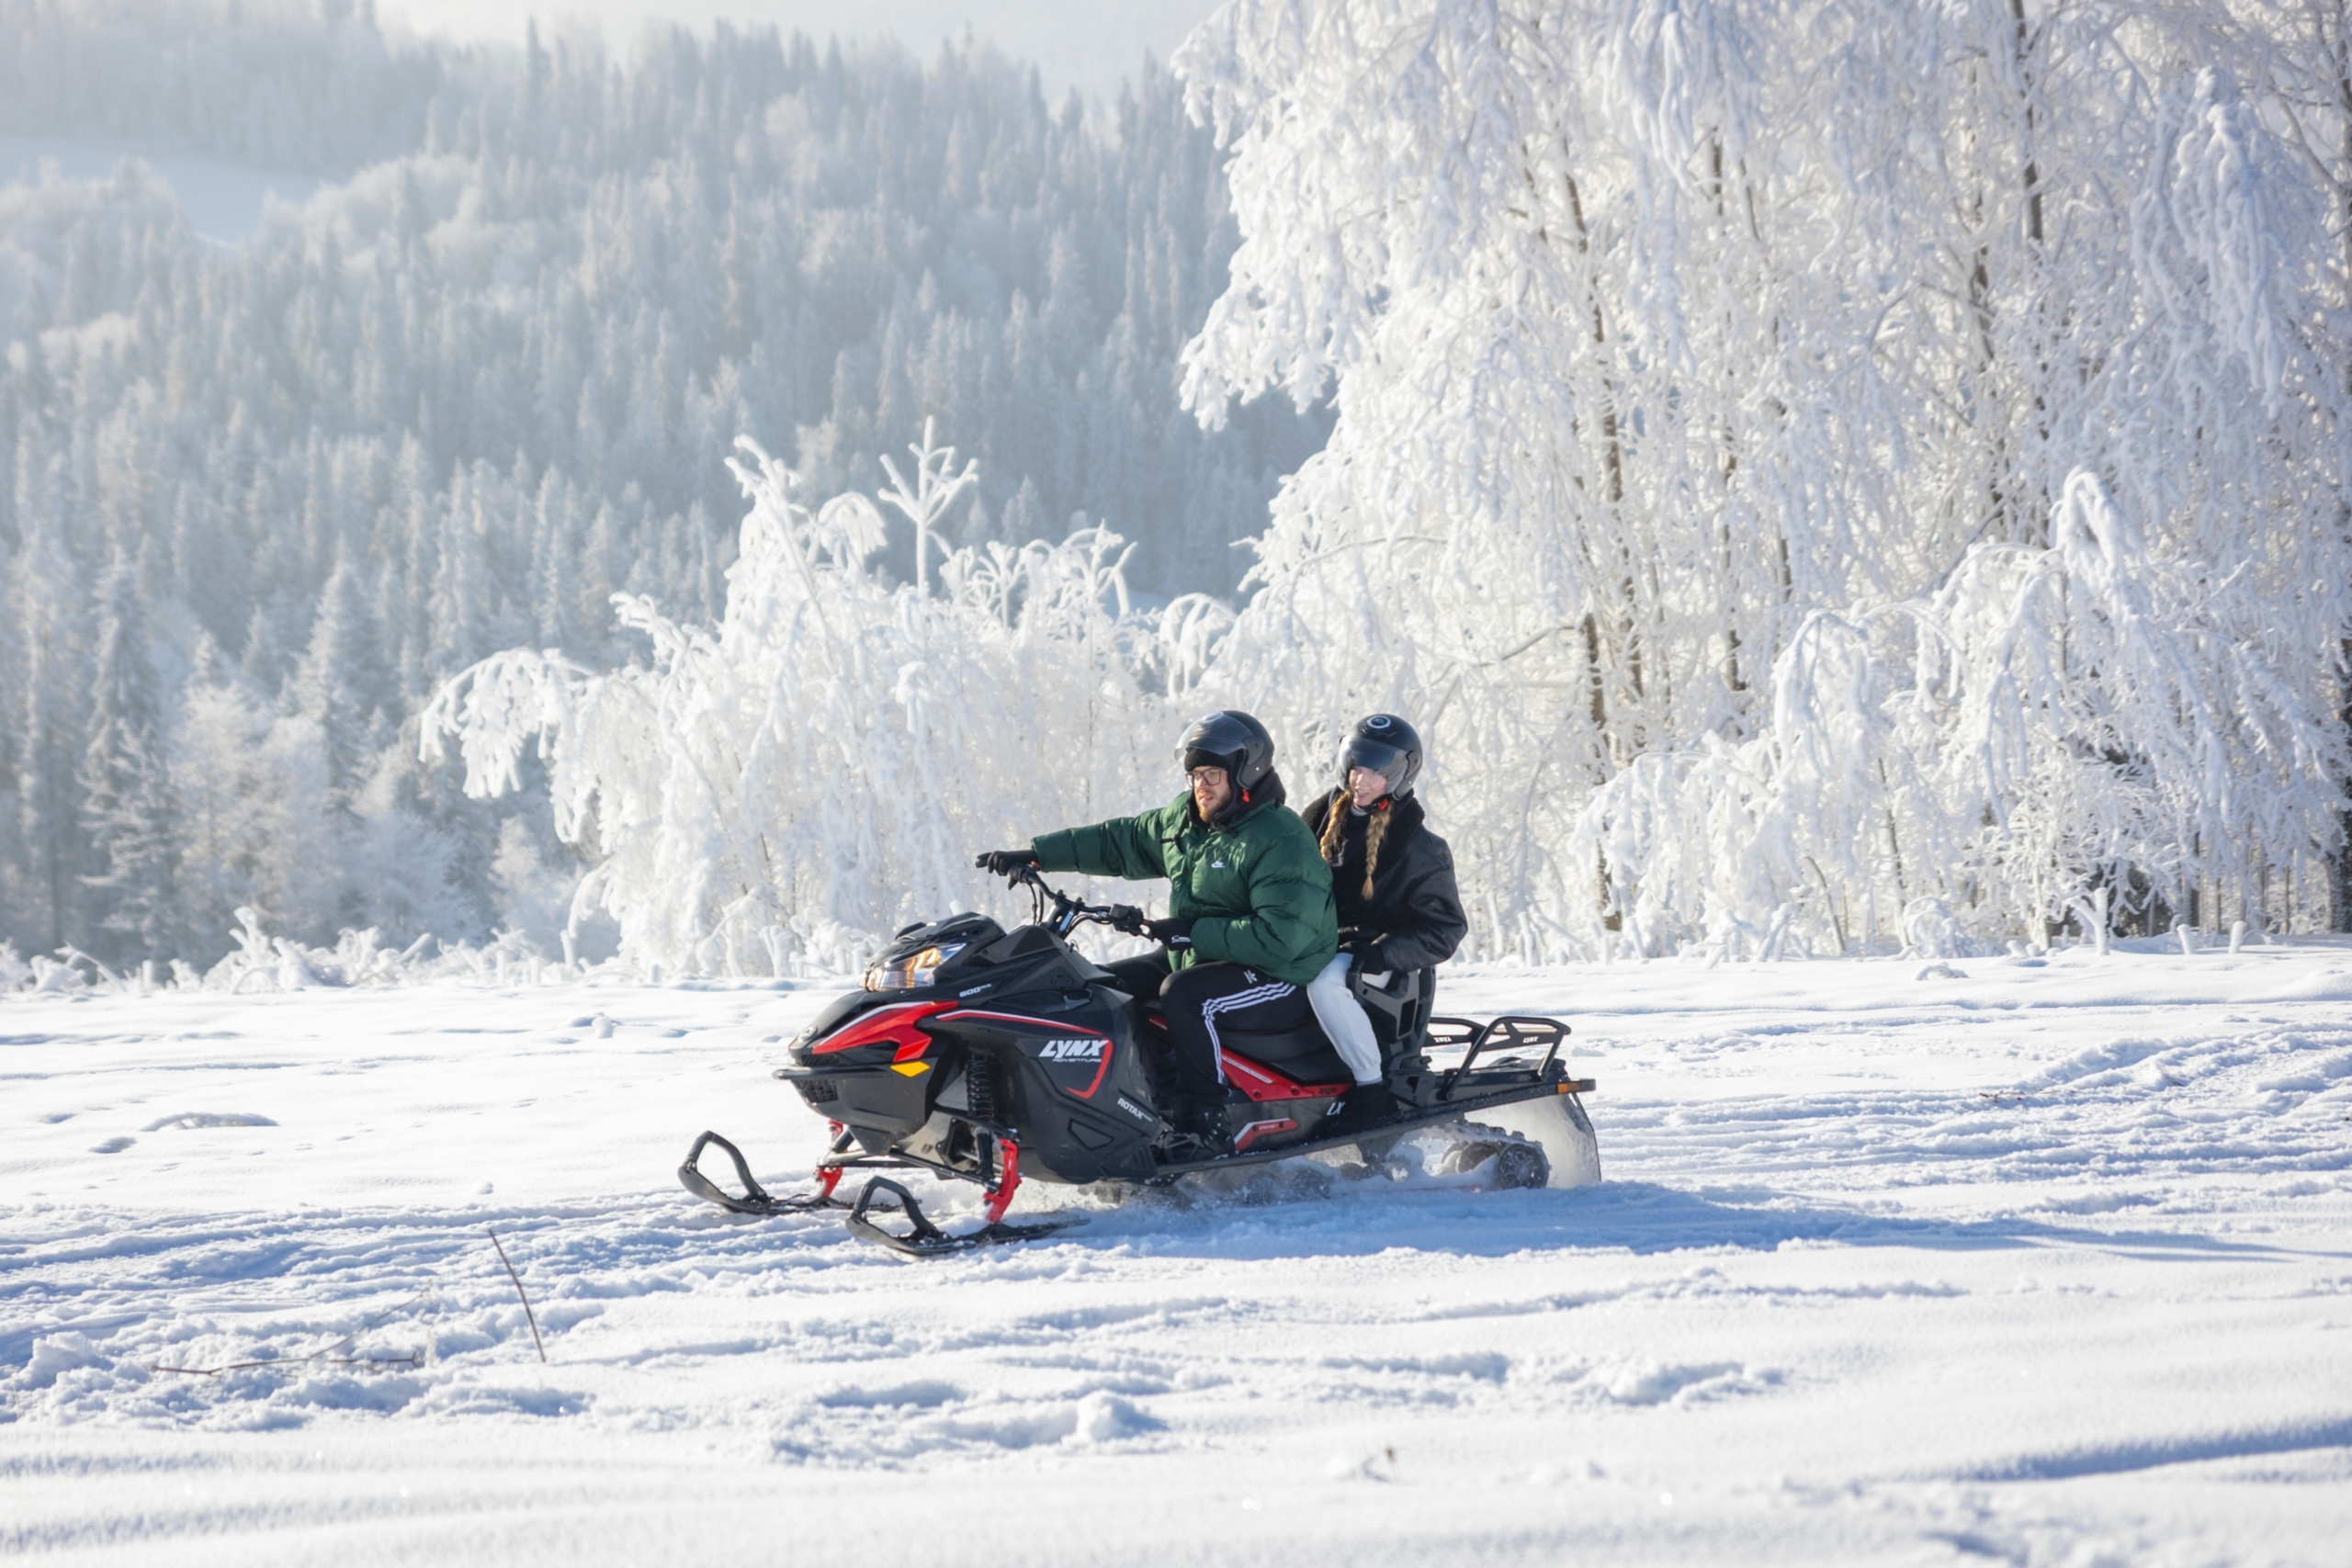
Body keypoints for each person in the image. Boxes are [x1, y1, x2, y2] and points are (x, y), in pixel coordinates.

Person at [977, 711, 1339, 1155]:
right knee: (1102, 985)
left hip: (1281, 971)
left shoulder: (1281, 839)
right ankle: (1133, 1107)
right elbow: (1122, 841)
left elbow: (1282, 936)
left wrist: (1191, 932)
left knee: (1185, 995)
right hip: (1207, 952)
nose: (1201, 786)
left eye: (1212, 774)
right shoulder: (1187, 820)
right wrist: (1037, 855)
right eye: (1195, 776)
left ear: (1247, 772)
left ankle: (1210, 1121)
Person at [1299, 714, 1468, 1134]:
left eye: (1375, 772)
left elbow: (1445, 928)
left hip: (1383, 960)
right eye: (1355, 767)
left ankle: (1371, 1089)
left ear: (1399, 777)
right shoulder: (1318, 819)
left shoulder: (1421, 848)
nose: (1360, 780)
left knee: (1324, 982)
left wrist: (1383, 952)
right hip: (1321, 943)